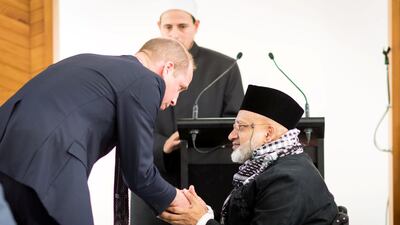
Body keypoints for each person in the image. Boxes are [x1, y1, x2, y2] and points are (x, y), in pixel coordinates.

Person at [0, 37, 194, 225]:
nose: (175, 100)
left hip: (9, 158)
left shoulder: (90, 62)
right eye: (181, 88)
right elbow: (139, 173)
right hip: (47, 162)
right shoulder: (146, 80)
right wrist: (180, 199)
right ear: (168, 68)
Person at [131, 1, 244, 224]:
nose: (174, 34)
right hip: (154, 177)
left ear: (196, 25)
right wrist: (161, 146)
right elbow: (131, 123)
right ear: (159, 26)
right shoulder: (142, 66)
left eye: (182, 26)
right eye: (168, 27)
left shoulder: (224, 67)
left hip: (206, 180)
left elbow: (236, 124)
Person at [160, 85, 339, 225]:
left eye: (241, 127)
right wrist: (204, 213)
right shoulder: (275, 166)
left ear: (268, 134)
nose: (231, 136)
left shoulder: (288, 179)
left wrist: (202, 221)